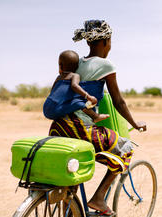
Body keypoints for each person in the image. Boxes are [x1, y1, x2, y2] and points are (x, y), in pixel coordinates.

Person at [48, 20, 146, 216]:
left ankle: (70, 206)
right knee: (125, 149)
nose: (110, 46)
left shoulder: (76, 63)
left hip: (58, 127)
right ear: (105, 42)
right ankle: (99, 198)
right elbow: (118, 101)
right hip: (80, 128)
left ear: (88, 42)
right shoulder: (105, 65)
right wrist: (136, 124)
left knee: (74, 169)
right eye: (110, 42)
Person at [43, 50, 109, 123]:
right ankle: (95, 116)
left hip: (47, 106)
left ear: (60, 66)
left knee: (73, 102)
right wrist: (88, 96)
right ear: (77, 67)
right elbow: (74, 86)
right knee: (78, 103)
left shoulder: (59, 77)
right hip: (57, 109)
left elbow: (53, 91)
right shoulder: (75, 75)